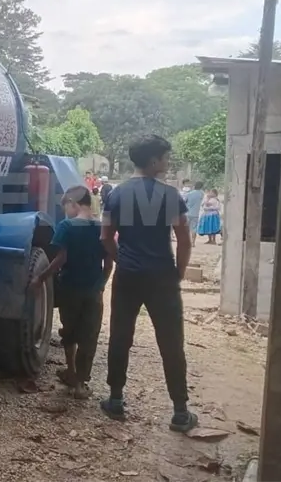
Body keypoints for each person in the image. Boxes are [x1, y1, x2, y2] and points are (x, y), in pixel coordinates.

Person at [100, 135, 198, 433]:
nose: (168, 162)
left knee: (120, 336)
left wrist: (121, 260)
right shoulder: (170, 195)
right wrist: (178, 272)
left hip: (128, 275)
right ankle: (180, 412)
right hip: (162, 276)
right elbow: (184, 240)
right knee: (171, 342)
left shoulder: (116, 194)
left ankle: (115, 400)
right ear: (154, 161)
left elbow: (106, 237)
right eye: (166, 157)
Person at [32, 185, 113, 400]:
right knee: (89, 336)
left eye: (65, 207)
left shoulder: (66, 226)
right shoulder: (102, 227)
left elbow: (60, 259)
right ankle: (80, 383)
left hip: (69, 288)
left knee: (69, 331)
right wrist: (101, 284)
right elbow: (108, 264)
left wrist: (40, 278)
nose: (65, 212)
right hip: (93, 291)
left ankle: (71, 371)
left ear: (73, 203)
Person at [183, 181, 205, 247]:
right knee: (194, 228)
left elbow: (184, 201)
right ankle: (193, 242)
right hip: (195, 213)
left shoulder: (189, 194)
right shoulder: (201, 194)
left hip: (187, 213)